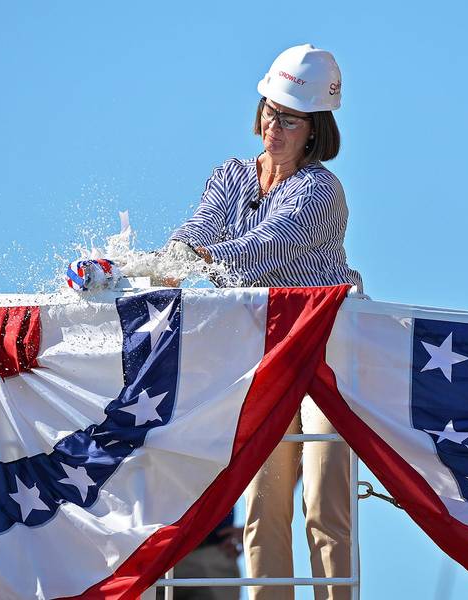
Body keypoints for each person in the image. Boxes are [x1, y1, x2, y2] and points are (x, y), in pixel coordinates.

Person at [165, 43, 360, 600]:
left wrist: (184, 263)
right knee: (261, 509)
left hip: (327, 356)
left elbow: (263, 251)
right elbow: (195, 233)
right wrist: (155, 266)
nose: (275, 126)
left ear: (314, 130)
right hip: (267, 359)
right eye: (271, 111)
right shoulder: (229, 176)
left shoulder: (322, 190)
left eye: (290, 119)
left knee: (324, 504)